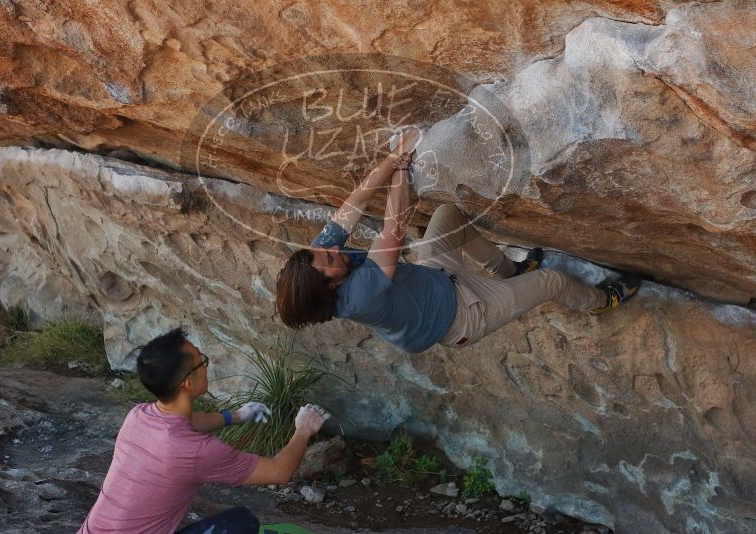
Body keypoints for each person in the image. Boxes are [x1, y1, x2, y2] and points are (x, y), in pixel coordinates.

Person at [276, 130, 640, 353]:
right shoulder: (360, 295)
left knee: (447, 216)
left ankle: (509, 270)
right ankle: (602, 301)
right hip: (464, 317)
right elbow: (394, 227)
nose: (330, 248)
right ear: (330, 286)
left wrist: (391, 156)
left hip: (434, 279)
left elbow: (353, 202)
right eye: (328, 258)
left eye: (322, 249)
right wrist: (402, 167)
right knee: (552, 282)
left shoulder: (318, 260)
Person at [78, 328, 330, 534]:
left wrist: (236, 416)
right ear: (188, 382)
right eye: (202, 361)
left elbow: (187, 422)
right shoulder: (196, 451)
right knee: (242, 523)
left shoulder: (138, 416)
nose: (206, 365)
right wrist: (303, 430)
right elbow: (280, 472)